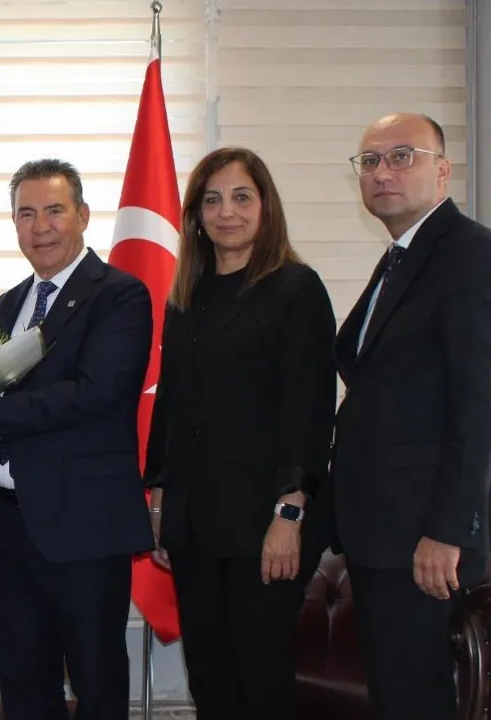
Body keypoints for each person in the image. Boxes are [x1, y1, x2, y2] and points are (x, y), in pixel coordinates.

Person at [0, 159, 154, 720]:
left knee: (96, 684)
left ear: (84, 216)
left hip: (82, 525)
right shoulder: (10, 303)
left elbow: (94, 393)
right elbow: (1, 394)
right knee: (23, 684)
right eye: (26, 214)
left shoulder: (120, 296)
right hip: (6, 524)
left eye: (54, 211)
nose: (40, 227)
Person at [142, 147, 337, 720]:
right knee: (210, 680)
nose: (226, 212)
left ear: (265, 206)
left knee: (260, 682)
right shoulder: (187, 296)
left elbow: (308, 410)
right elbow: (172, 405)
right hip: (195, 525)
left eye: (241, 197)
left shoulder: (296, 288)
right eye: (212, 200)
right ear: (196, 215)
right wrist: (162, 503)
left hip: (264, 525)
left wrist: (289, 513)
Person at [333, 112, 491, 720]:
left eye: (402, 156)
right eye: (370, 161)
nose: (382, 172)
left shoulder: (469, 254)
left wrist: (446, 531)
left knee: (417, 700)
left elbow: (477, 405)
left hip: (425, 539)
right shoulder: (401, 257)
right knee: (395, 695)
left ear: (442, 171)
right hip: (382, 531)